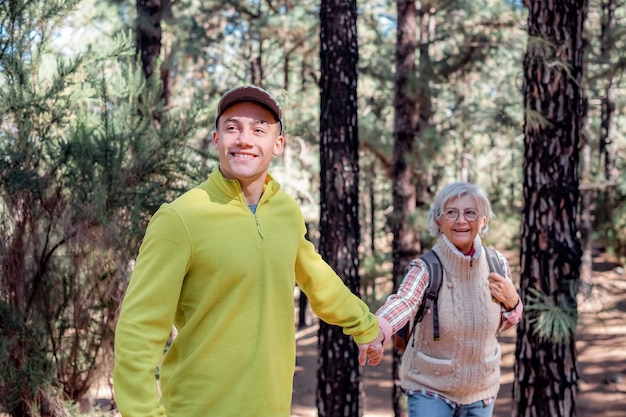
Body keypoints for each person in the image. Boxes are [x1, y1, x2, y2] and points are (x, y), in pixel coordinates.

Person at [113, 85, 384, 417]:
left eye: (259, 130)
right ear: (216, 139)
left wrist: (364, 325)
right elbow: (139, 330)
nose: (244, 139)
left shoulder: (285, 212)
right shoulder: (179, 218)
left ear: (277, 145)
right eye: (232, 127)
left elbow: (318, 279)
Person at [376, 182, 523, 417]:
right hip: (430, 389)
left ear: (483, 220)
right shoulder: (426, 267)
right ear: (438, 221)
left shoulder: (497, 264)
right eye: (451, 213)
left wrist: (514, 304)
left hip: (481, 393)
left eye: (470, 213)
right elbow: (404, 301)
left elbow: (503, 322)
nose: (461, 220)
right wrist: (379, 328)